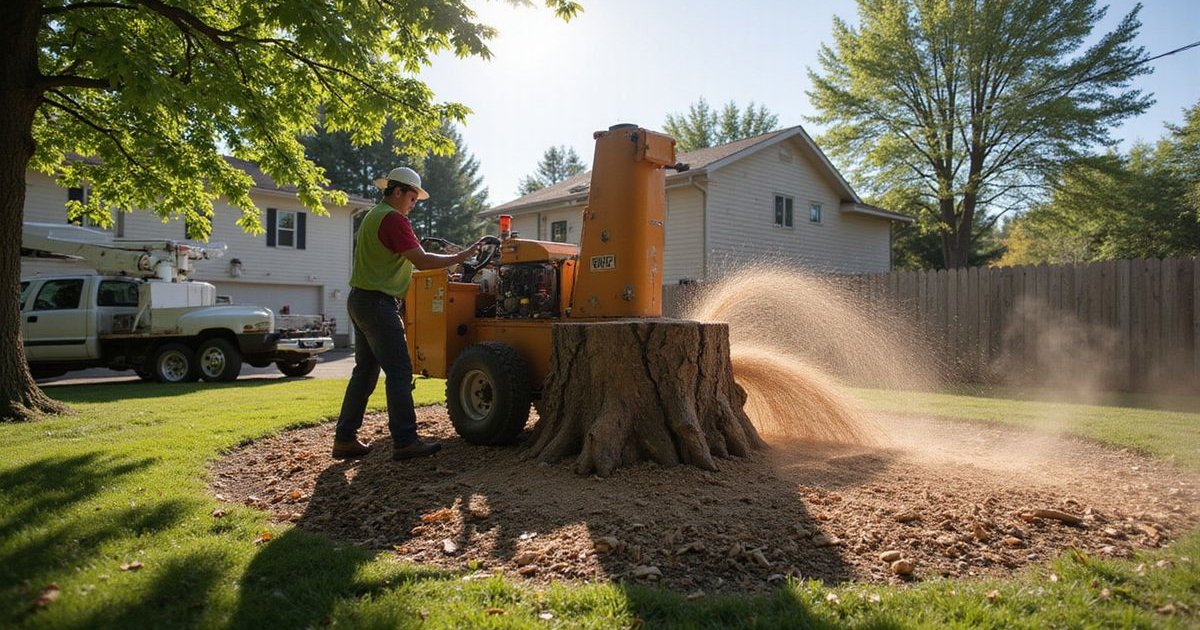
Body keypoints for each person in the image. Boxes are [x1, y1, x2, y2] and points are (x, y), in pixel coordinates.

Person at [332, 166, 488, 461]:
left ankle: (344, 439)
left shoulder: (372, 216)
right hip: (378, 304)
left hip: (361, 300)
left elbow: (404, 261)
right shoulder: (393, 219)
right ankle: (405, 440)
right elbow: (423, 260)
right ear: (399, 191)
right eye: (413, 198)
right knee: (400, 371)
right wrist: (461, 257)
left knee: (364, 372)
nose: (413, 205)